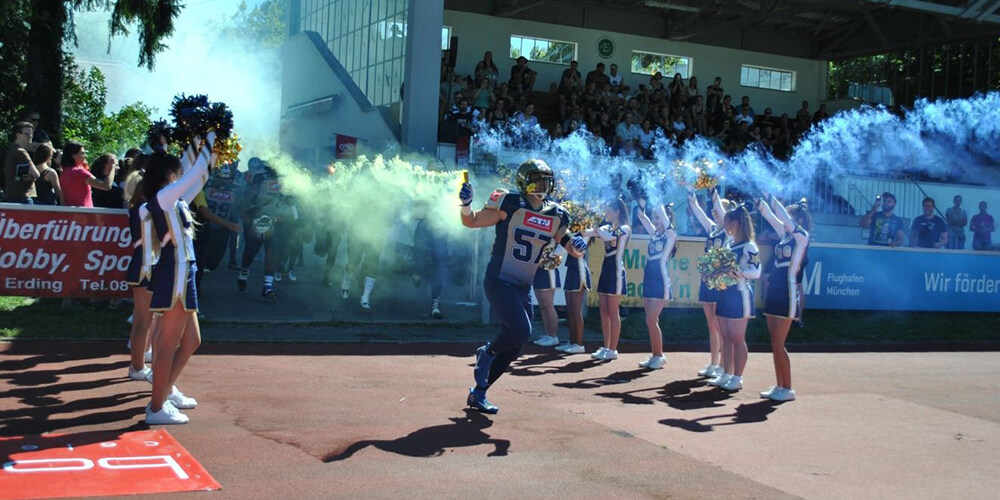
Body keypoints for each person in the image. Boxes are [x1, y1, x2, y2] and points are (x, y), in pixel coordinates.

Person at [459, 159, 586, 413]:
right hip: (499, 279)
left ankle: (479, 393)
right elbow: (471, 222)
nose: (542, 185)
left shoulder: (557, 213)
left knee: (516, 343)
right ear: (523, 181)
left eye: (545, 180)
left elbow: (569, 244)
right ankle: (486, 353)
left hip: (522, 286)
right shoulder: (508, 201)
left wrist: (578, 247)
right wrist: (465, 205)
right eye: (537, 179)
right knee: (520, 330)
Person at [140, 137, 216, 425]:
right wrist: (207, 135)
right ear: (169, 175)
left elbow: (201, 175)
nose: (182, 174)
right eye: (177, 172)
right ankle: (156, 407)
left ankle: (165, 390)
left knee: (192, 340)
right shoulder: (165, 197)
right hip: (176, 271)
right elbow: (195, 172)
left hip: (185, 270)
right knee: (166, 344)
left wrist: (210, 143)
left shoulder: (175, 198)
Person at [757, 195, 810, 402]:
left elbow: (781, 217)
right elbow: (772, 217)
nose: (786, 220)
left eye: (790, 216)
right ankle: (780, 384)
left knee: (779, 343)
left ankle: (787, 388)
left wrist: (773, 200)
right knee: (774, 342)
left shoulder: (801, 237)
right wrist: (762, 201)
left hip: (788, 292)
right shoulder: (783, 236)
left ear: (800, 220)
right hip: (774, 291)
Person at [709, 204, 761, 392]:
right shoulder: (730, 244)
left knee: (737, 338)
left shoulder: (749, 246)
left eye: (728, 222)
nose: (725, 225)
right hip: (724, 294)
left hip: (740, 295)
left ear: (737, 223)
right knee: (725, 337)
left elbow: (756, 271)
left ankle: (737, 377)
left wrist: (738, 272)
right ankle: (726, 373)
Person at [687, 189, 731, 378]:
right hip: (707, 280)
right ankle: (714, 362)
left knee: (720, 324)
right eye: (713, 211)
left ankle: (723, 365)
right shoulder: (712, 229)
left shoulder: (729, 233)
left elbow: (720, 209)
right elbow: (696, 210)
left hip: (720, 282)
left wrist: (712, 189)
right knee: (711, 325)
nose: (714, 213)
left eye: (717, 211)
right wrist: (690, 191)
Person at [585, 198, 631, 361]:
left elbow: (606, 237)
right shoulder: (607, 227)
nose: (606, 214)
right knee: (603, 310)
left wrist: (596, 227)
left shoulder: (624, 228)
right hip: (606, 269)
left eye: (609, 211)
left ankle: (613, 348)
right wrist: (580, 224)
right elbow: (588, 233)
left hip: (617, 271)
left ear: (618, 212)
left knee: (613, 311)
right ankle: (606, 346)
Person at [237, 158, 288, 299]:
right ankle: (244, 272)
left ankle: (268, 286)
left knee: (272, 249)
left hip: (275, 222)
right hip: (258, 220)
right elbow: (244, 205)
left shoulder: (286, 183)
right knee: (251, 251)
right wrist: (248, 221)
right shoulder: (259, 181)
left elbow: (289, 202)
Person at [635, 201, 678, 370]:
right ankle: (655, 354)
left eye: (659, 217)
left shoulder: (670, 235)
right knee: (651, 321)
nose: (656, 220)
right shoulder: (653, 234)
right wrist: (641, 200)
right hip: (648, 277)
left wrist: (659, 199)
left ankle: (660, 356)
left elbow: (667, 224)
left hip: (660, 279)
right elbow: (641, 216)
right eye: (655, 217)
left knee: (651, 319)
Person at [124, 165, 154, 383]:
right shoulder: (143, 208)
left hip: (145, 261)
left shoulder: (138, 207)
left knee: (145, 319)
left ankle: (140, 359)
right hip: (145, 263)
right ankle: (137, 366)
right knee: (143, 320)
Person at [555, 234, 591, 355]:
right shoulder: (572, 234)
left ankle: (579, 344)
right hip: (571, 270)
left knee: (576, 310)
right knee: (569, 309)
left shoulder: (584, 234)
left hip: (579, 271)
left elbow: (563, 249)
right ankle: (572, 341)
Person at [412, 200, 447, 319]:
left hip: (437, 228)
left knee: (438, 268)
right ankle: (417, 274)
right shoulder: (422, 225)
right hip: (428, 230)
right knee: (422, 263)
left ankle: (434, 306)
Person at [59, 142, 115, 207]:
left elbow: (62, 197)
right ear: (73, 155)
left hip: (69, 212)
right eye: (82, 153)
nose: (85, 156)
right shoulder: (79, 172)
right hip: (84, 213)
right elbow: (106, 186)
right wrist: (112, 166)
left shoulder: (64, 172)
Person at [4, 121, 40, 204]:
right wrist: (32, 177)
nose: (30, 136)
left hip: (13, 195)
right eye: (26, 134)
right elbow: (36, 174)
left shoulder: (12, 149)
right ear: (18, 135)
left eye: (31, 134)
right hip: (23, 197)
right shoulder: (21, 151)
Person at [531, 263, 562, 348]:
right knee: (543, 307)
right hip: (538, 272)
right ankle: (548, 334)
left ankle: (553, 336)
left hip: (548, 271)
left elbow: (559, 251)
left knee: (548, 306)